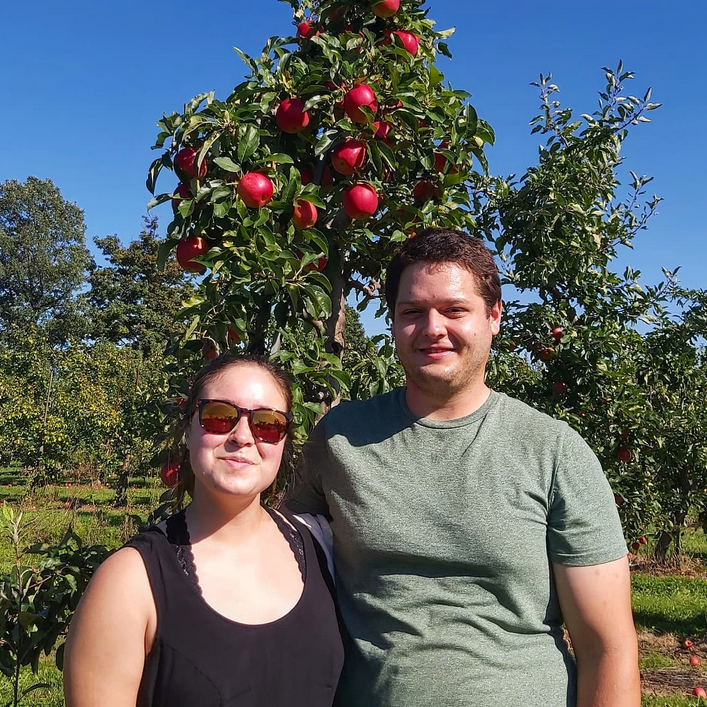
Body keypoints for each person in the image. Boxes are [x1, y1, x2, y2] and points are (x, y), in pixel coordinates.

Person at [285, 228, 640, 707]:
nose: (432, 328)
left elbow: (607, 646)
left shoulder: (553, 451)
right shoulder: (340, 438)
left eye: (454, 310)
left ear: (494, 316)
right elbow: (278, 558)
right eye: (412, 312)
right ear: (392, 323)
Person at [64, 353, 344, 707]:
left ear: (284, 441)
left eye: (267, 424)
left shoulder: (321, 546)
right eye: (219, 417)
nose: (242, 436)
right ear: (189, 428)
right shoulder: (129, 581)